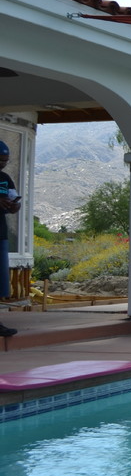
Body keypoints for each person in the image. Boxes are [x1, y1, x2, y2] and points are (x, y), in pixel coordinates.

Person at [0, 140, 20, 337]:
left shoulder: (5, 178)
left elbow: (15, 200)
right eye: (0, 160)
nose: (2, 164)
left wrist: (14, 205)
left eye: (5, 161)